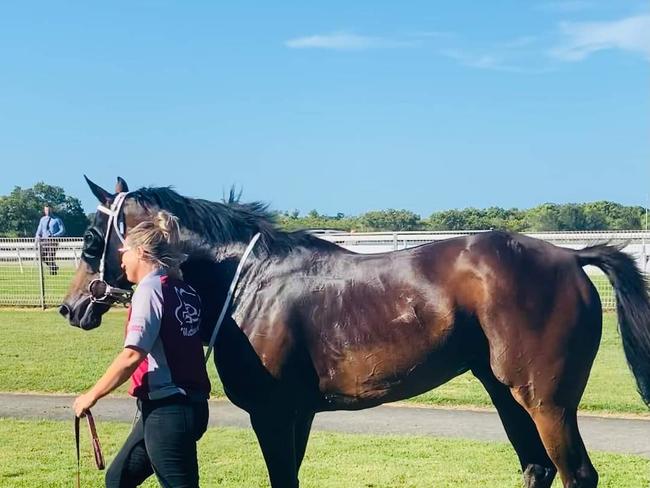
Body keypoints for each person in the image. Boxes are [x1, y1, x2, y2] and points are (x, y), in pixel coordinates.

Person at [73, 210, 211, 488]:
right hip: (184, 408)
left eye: (124, 251)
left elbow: (132, 355)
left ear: (142, 252)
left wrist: (91, 396)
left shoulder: (150, 290)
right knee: (118, 479)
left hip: (169, 412)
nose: (121, 260)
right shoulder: (183, 289)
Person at [34, 204, 65, 275]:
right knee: (41, 256)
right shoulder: (42, 219)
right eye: (46, 210)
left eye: (48, 210)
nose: (47, 211)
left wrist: (54, 235)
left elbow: (62, 230)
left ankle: (53, 273)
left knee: (51, 256)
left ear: (52, 210)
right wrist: (36, 239)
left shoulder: (57, 220)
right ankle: (53, 266)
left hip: (52, 241)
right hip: (44, 240)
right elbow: (39, 230)